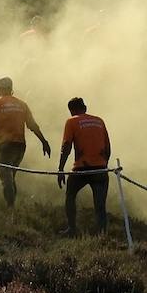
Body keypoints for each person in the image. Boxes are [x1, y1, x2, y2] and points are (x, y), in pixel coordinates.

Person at [0, 76, 50, 207]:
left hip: (4, 145)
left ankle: (10, 209)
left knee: (6, 179)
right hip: (19, 146)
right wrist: (44, 141)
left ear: (3, 89)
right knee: (10, 177)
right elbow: (33, 125)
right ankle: (12, 209)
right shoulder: (22, 104)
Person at [56, 97, 110, 235]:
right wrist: (104, 165)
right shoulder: (99, 121)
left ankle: (72, 228)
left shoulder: (71, 121)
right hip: (100, 168)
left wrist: (61, 169)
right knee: (100, 205)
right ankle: (102, 233)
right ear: (84, 107)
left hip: (81, 168)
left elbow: (66, 146)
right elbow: (108, 147)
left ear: (71, 111)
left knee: (70, 195)